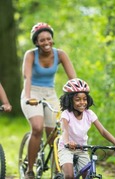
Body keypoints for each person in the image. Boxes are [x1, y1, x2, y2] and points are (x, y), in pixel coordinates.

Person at [20, 22, 76, 179]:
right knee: (37, 128)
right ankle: (30, 170)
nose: (46, 43)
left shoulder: (60, 54)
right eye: (42, 40)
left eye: (48, 39)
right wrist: (29, 96)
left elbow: (73, 78)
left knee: (54, 134)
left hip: (50, 94)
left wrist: (79, 95)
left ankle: (57, 170)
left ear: (52, 39)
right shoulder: (30, 55)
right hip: (32, 92)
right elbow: (27, 77)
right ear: (36, 42)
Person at [57, 78, 115, 179]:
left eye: (84, 99)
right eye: (77, 99)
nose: (82, 102)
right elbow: (65, 130)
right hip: (66, 148)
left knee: (88, 175)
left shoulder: (89, 114)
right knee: (69, 175)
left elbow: (102, 131)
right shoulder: (66, 114)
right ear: (69, 100)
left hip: (82, 149)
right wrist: (67, 142)